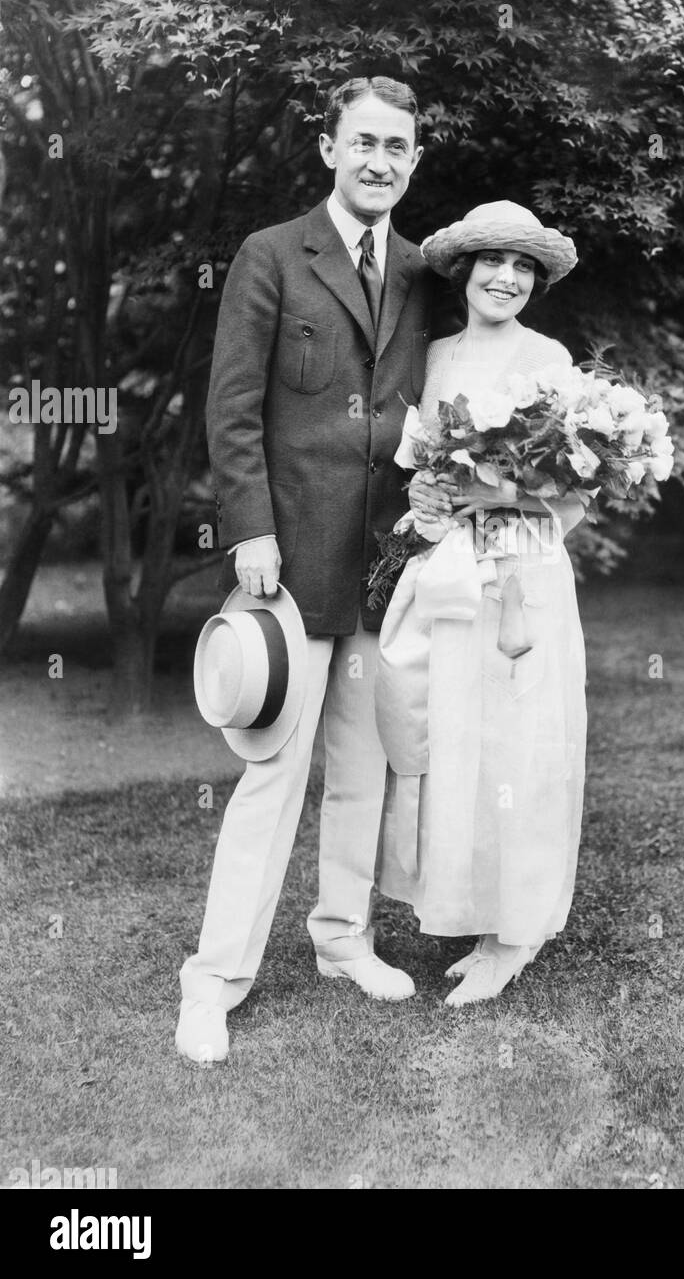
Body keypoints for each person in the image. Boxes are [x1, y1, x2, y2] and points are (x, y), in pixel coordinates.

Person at [176, 76, 449, 1063]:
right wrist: (247, 527)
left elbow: (430, 409)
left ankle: (342, 939)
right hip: (285, 567)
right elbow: (231, 409)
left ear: (412, 163)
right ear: (329, 149)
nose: (379, 160)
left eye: (397, 148)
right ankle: (212, 981)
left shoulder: (423, 270)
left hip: (381, 565)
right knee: (269, 778)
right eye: (363, 142)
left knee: (362, 774)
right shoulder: (269, 255)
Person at [375, 201, 587, 1006]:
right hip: (452, 570)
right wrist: (433, 505)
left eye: (523, 266)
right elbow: (419, 473)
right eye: (493, 261)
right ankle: (471, 907)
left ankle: (514, 932)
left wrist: (496, 497)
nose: (506, 278)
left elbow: (570, 494)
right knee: (457, 737)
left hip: (523, 569)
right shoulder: (428, 361)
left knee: (523, 743)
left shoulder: (551, 360)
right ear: (464, 270)